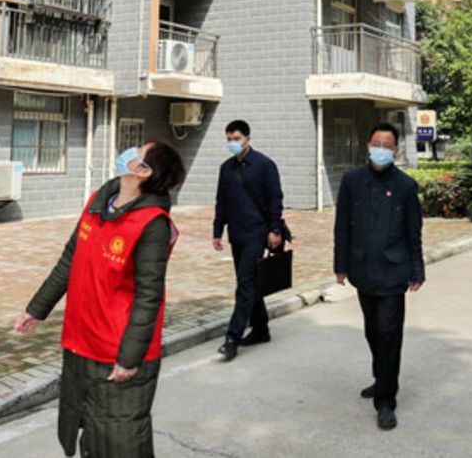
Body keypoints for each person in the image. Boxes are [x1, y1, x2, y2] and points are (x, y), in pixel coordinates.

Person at [14, 141, 187, 458]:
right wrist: (37, 309)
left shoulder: (152, 223)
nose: (129, 152)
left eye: (137, 152)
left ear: (143, 172)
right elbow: (70, 259)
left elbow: (149, 296)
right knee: (92, 434)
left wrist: (129, 357)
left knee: (122, 441)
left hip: (117, 350)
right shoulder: (98, 202)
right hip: (82, 342)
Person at [334, 122, 425, 431]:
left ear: (395, 150)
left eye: (387, 145)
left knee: (389, 334)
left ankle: (386, 400)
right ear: (367, 146)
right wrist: (340, 264)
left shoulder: (406, 186)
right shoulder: (351, 181)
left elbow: (414, 232)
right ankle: (381, 378)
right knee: (373, 331)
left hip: (394, 272)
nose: (381, 150)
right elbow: (342, 226)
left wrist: (417, 269)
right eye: (376, 144)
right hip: (363, 270)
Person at [213, 119, 285, 360]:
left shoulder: (264, 165)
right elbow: (221, 202)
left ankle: (232, 338)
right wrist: (217, 231)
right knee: (249, 282)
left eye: (236, 139)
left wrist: (274, 229)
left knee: (244, 284)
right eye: (229, 139)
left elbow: (275, 199)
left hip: (258, 233)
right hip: (237, 234)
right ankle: (261, 329)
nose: (232, 143)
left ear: (247, 139)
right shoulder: (226, 168)